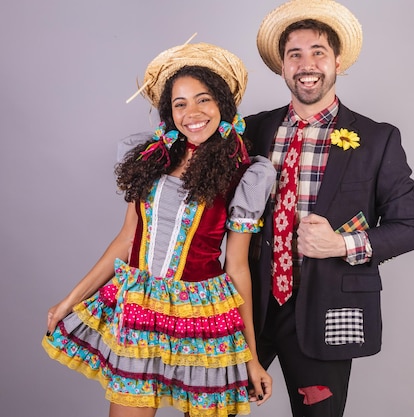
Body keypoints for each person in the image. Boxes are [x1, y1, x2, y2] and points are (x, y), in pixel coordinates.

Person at [42, 42, 275, 417]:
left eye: (204, 100)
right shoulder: (150, 158)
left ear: (223, 106)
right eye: (180, 104)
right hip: (140, 307)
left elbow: (237, 267)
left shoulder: (243, 173)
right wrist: (69, 300)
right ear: (169, 112)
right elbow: (126, 239)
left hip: (203, 314)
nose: (192, 113)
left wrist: (251, 358)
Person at [244, 1, 414, 416]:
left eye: (318, 52)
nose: (307, 64)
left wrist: (341, 245)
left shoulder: (378, 139)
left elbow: (409, 228)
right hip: (249, 304)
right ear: (283, 66)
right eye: (295, 54)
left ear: (337, 61)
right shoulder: (254, 130)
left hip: (325, 307)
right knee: (209, 408)